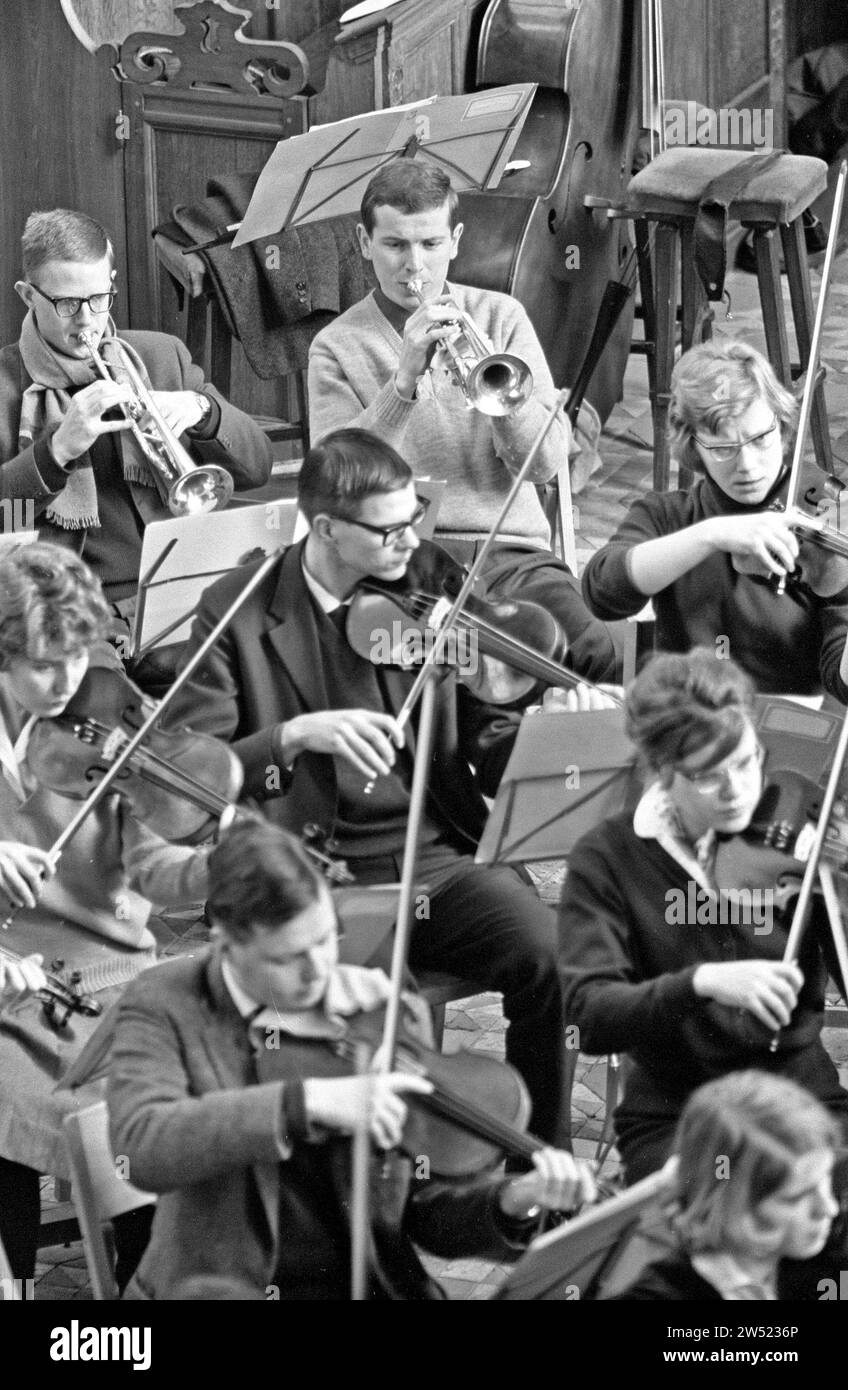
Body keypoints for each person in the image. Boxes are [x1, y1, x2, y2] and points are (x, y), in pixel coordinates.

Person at [163, 426, 602, 1147]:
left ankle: (540, 1175)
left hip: (430, 856)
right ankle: (362, 1203)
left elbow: (488, 732)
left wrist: (552, 738)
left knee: (551, 958)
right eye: (388, 530)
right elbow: (190, 769)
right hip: (305, 876)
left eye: (413, 521)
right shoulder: (237, 606)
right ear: (327, 529)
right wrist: (294, 738)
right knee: (350, 1025)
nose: (410, 541)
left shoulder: (430, 579)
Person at [108, 817, 598, 1300]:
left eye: (325, 940)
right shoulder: (166, 1000)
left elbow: (423, 1211)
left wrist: (513, 1200)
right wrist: (309, 1103)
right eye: (288, 958)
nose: (319, 971)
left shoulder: (380, 1006)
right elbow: (142, 1148)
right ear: (227, 944)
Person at [307, 161, 620, 685]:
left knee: (594, 653)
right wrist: (402, 384)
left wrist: (503, 398)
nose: (415, 267)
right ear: (364, 242)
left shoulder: (502, 317)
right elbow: (335, 486)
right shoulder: (336, 346)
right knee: (441, 677)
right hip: (409, 559)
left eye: (430, 245)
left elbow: (544, 467)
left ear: (455, 240)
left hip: (512, 553)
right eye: (395, 245)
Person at [558, 647, 848, 1186]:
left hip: (800, 1093)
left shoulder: (799, 835)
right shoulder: (609, 858)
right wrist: (704, 983)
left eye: (745, 761)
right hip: (680, 1111)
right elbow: (590, 1015)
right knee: (723, 1219)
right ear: (663, 775)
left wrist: (841, 886)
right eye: (710, 777)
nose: (739, 790)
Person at [0, 541, 210, 1282]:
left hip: (112, 970)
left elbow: (159, 870)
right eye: (43, 665)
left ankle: (148, 1287)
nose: (66, 683)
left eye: (79, 659)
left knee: (156, 1099)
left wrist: (215, 868)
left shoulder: (116, 724)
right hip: (8, 984)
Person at [0, 208, 273, 626]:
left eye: (98, 298)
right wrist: (54, 452)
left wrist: (203, 411)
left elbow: (259, 468)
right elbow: (5, 522)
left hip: (180, 590)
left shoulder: (160, 356)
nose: (87, 320)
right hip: (71, 611)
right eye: (67, 303)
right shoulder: (6, 386)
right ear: (27, 295)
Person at [581, 340, 848, 701]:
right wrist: (711, 535)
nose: (748, 465)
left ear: (781, 424)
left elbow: (840, 681)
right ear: (693, 445)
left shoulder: (829, 516)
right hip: (686, 726)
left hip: (786, 733)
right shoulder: (668, 515)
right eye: (723, 449)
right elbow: (603, 593)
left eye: (760, 438)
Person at [609, 1071, 844, 1300]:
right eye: (795, 1198)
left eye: (825, 1179)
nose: (828, 1208)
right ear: (728, 1205)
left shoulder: (826, 1247)